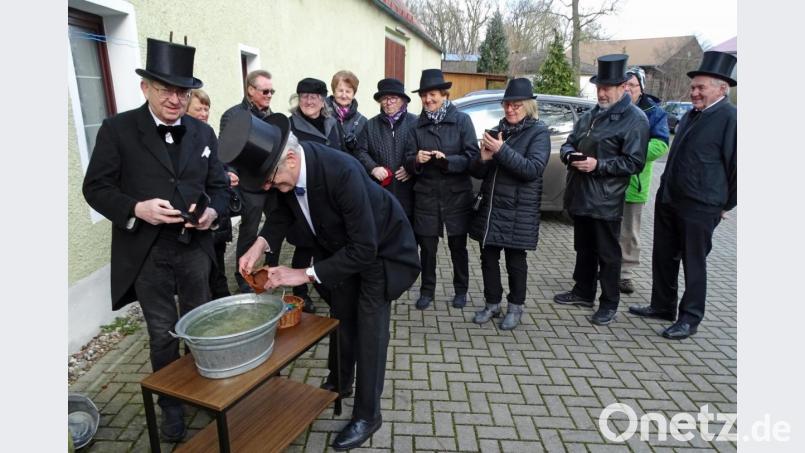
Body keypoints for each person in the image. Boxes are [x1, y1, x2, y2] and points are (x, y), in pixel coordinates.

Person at [218, 113, 420, 451]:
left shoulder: (341, 171)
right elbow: (282, 213)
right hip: (342, 248)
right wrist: (260, 244)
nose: (269, 187)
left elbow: (364, 249)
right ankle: (340, 382)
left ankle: (368, 415)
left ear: (291, 160)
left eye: (270, 180)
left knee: (370, 329)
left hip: (380, 252)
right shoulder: (287, 171)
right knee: (340, 318)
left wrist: (302, 274)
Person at [82, 38, 229, 441]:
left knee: (199, 325)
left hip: (195, 249)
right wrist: (136, 209)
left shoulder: (202, 132)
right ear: (146, 88)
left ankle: (202, 392)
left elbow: (218, 187)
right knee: (163, 332)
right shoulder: (117, 130)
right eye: (166, 89)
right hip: (147, 252)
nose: (175, 99)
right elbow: (95, 188)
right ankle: (171, 406)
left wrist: (213, 212)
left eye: (182, 91)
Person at [629, 51, 737, 339]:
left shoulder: (731, 118)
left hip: (702, 205)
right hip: (670, 199)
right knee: (664, 256)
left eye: (701, 88)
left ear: (721, 88)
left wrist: (726, 204)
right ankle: (662, 305)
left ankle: (690, 318)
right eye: (693, 88)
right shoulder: (690, 115)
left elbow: (738, 167)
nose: (694, 93)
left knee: (694, 262)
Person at [552, 54, 648, 326]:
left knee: (608, 254)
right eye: (599, 88)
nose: (602, 93)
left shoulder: (634, 119)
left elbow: (634, 162)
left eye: (607, 88)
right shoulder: (592, 114)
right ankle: (583, 291)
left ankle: (609, 303)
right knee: (584, 248)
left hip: (606, 199)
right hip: (581, 193)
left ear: (622, 87)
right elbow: (570, 142)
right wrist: (569, 155)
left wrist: (598, 165)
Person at [469, 78, 550, 330]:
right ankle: (492, 303)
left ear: (528, 106)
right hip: (492, 209)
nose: (510, 110)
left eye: (516, 105)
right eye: (507, 105)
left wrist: (502, 150)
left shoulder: (539, 133)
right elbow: (480, 173)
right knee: (488, 258)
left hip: (518, 211)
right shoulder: (497, 131)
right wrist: (482, 159)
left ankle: (516, 307)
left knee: (516, 261)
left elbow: (532, 169)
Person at [404, 69, 480, 310]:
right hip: (426, 195)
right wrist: (416, 159)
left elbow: (472, 157)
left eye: (433, 94)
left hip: (456, 195)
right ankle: (427, 290)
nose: (428, 100)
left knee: (458, 246)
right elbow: (407, 160)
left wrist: (447, 161)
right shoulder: (416, 126)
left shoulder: (462, 121)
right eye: (425, 95)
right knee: (427, 248)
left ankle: (461, 290)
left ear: (444, 95)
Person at [219, 69, 283, 295]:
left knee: (276, 225)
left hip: (271, 184)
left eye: (272, 91)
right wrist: (231, 173)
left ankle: (272, 270)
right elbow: (226, 151)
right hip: (249, 185)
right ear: (250, 90)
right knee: (249, 230)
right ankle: (243, 276)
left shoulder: (272, 116)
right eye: (265, 91)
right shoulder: (233, 115)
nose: (269, 95)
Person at [617, 67, 670, 294]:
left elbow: (661, 145)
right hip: (608, 182)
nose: (627, 89)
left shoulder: (654, 112)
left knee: (629, 232)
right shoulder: (612, 108)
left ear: (641, 88)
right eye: (624, 85)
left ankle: (625, 274)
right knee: (608, 229)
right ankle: (608, 267)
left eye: (632, 85)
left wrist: (630, 152)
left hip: (634, 184)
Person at [188, 89, 241, 299]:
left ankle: (223, 300)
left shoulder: (208, 134)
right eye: (198, 108)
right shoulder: (185, 139)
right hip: (199, 213)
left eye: (206, 108)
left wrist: (229, 174)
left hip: (217, 213)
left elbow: (220, 165)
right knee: (203, 269)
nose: (203, 113)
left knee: (218, 263)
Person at [354, 78, 417, 220]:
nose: (388, 103)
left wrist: (411, 168)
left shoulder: (415, 123)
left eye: (393, 98)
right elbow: (360, 151)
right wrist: (373, 168)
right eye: (384, 99)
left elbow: (422, 151)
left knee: (408, 238)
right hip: (381, 193)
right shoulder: (370, 125)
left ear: (402, 100)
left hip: (409, 194)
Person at [325, 70, 368, 155]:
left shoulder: (362, 121)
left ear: (353, 94)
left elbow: (363, 152)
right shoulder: (321, 113)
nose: (344, 95)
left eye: (348, 91)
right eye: (340, 91)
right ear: (334, 91)